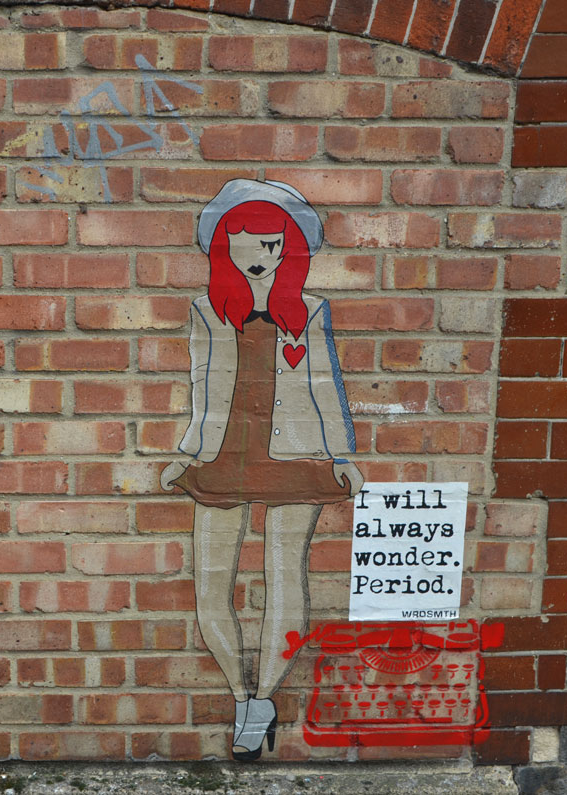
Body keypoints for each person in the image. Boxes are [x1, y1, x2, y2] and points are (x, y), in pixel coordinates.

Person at [159, 179, 363, 760]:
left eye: (270, 244)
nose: (258, 257)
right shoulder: (207, 310)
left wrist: (341, 455)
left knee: (285, 576)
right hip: (223, 454)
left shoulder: (310, 311)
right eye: (243, 244)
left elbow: (326, 386)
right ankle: (240, 694)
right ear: (225, 248)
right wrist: (189, 454)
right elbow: (202, 386)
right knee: (210, 587)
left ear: (287, 248)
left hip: (295, 454)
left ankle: (264, 698)